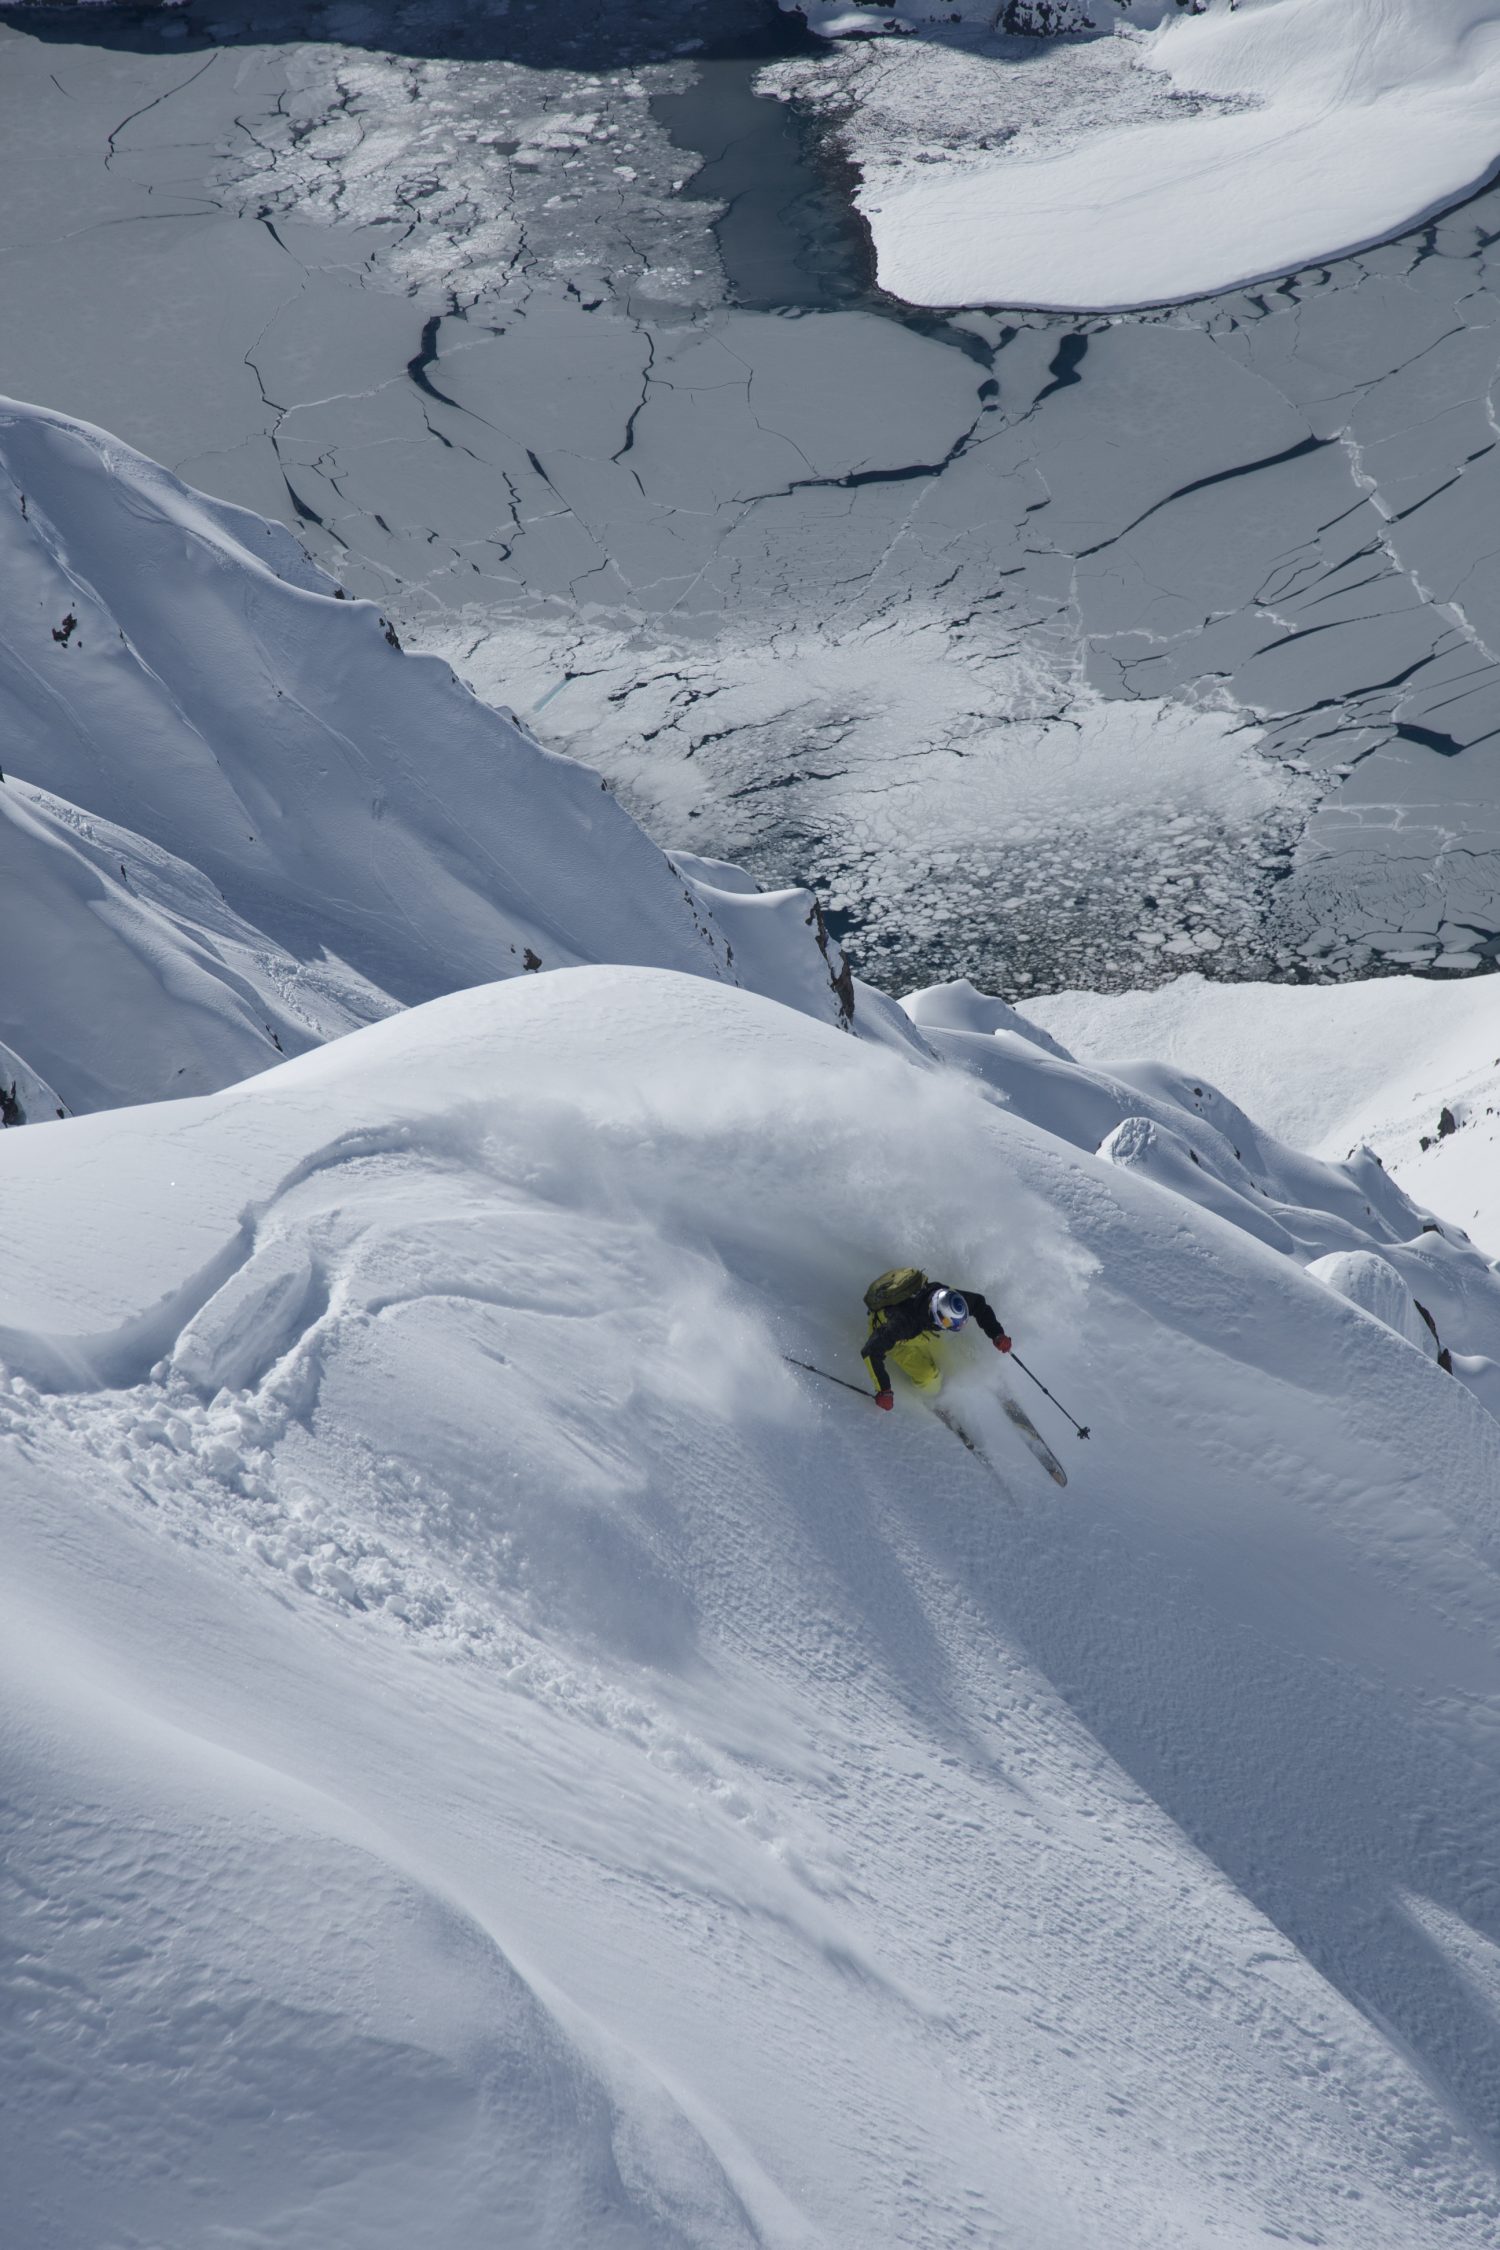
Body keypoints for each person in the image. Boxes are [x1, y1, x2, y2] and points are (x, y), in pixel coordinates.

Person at [861, 1268, 1011, 1410]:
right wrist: (884, 1390)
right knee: (929, 1379)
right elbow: (871, 1350)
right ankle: (930, 1397)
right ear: (936, 1316)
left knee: (950, 1361)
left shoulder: (947, 1297)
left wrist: (997, 1333)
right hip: (897, 1340)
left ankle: (943, 1379)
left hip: (922, 1331)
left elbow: (979, 1304)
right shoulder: (903, 1324)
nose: (949, 1327)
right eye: (948, 1324)